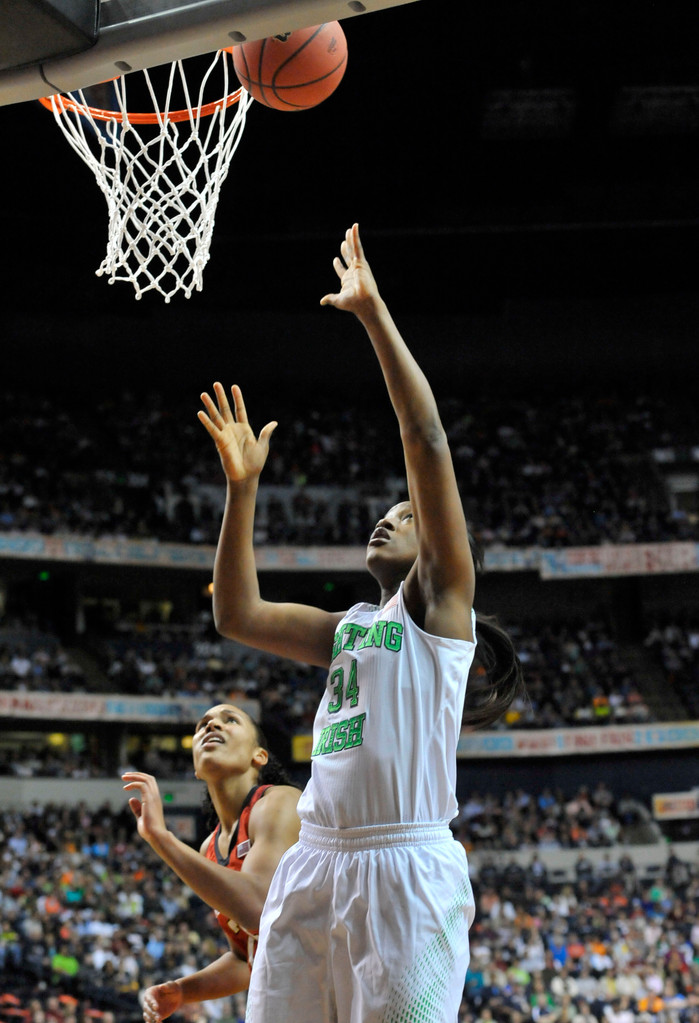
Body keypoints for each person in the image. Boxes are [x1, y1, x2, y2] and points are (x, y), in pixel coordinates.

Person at [197, 224, 525, 1023]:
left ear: (442, 547)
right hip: (317, 862)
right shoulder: (347, 625)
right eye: (387, 510)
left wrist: (374, 317)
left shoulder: (441, 606)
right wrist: (243, 491)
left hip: (402, 863)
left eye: (407, 515)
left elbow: (426, 439)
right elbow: (235, 613)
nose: (389, 517)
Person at [122, 704, 301, 1022]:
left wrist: (160, 837)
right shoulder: (209, 847)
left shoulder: (280, 801)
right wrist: (182, 990)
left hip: (329, 988)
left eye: (229, 720)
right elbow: (243, 956)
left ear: (258, 756)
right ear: (196, 767)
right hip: (279, 999)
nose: (212, 726)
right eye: (203, 724)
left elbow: (258, 907)